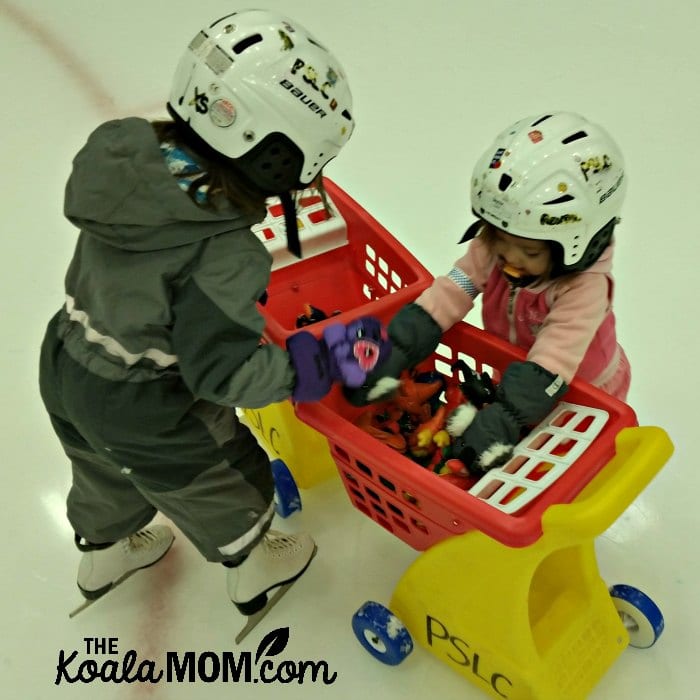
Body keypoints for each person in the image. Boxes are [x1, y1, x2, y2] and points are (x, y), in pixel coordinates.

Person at [39, 10, 369, 624]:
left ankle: (104, 556)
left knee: (100, 469)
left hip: (64, 357)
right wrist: (310, 365)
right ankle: (255, 572)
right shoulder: (223, 252)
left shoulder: (129, 160)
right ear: (273, 155)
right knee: (220, 474)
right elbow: (223, 373)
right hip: (145, 401)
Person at [349, 112, 629, 474]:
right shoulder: (494, 246)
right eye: (502, 241)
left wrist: (506, 417)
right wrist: (398, 347)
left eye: (529, 252)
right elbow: (455, 289)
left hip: (580, 390)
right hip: (515, 374)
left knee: (563, 471)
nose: (510, 258)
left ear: (577, 245)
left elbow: (552, 360)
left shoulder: (583, 288)